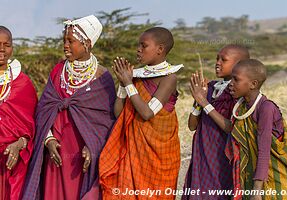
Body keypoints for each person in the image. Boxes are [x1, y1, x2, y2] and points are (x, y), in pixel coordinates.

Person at [22, 15, 116, 200]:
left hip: (83, 154)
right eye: (64, 40)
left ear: (87, 43)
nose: (65, 45)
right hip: (55, 150)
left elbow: (106, 122)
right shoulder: (58, 71)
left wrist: (92, 147)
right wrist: (48, 139)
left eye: (70, 41)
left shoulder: (102, 78)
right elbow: (43, 109)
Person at [99, 27, 184, 199]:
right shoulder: (135, 77)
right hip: (134, 151)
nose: (138, 49)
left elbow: (147, 113)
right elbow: (118, 112)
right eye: (138, 45)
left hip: (160, 153)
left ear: (160, 49)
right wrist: (123, 84)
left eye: (143, 46)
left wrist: (128, 83)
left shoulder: (169, 78)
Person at [225, 59, 287, 200]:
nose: (231, 83)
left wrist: (257, 191)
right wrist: (204, 104)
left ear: (253, 84)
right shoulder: (241, 107)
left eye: (236, 79)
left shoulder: (266, 108)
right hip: (253, 174)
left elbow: (264, 149)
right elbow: (230, 129)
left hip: (276, 177)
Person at [183, 44, 250, 200]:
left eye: (223, 59)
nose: (217, 62)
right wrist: (198, 101)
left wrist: (205, 103)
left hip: (222, 156)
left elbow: (230, 128)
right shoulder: (211, 87)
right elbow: (192, 125)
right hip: (202, 152)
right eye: (217, 58)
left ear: (238, 65)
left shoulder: (238, 93)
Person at [0, 26, 37, 200]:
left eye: (6, 45)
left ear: (12, 47)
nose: (2, 49)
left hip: (12, 159)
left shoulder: (22, 83)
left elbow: (31, 127)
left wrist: (18, 144)